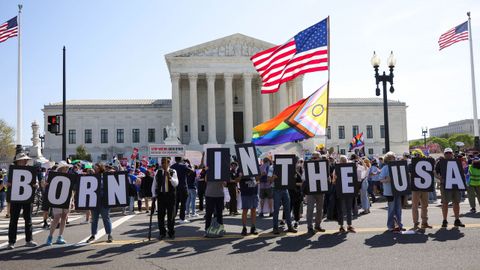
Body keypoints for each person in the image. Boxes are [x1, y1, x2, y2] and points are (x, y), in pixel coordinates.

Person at [7, 152, 38, 249]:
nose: (24, 161)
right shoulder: (12, 170)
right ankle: (11, 241)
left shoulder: (30, 170)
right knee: (13, 220)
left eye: (25, 160)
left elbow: (35, 182)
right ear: (18, 161)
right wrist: (8, 184)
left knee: (28, 219)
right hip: (16, 197)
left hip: (27, 197)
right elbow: (6, 182)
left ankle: (29, 240)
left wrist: (35, 185)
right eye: (22, 160)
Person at [435, 148, 465, 228]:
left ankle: (457, 220)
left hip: (456, 184)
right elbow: (435, 172)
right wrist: (439, 177)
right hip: (445, 185)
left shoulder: (457, 162)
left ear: (452, 154)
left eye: (449, 153)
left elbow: (462, 171)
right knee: (445, 203)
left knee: (456, 202)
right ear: (444, 154)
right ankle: (444, 220)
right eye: (446, 153)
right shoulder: (440, 162)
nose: (448, 154)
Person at [376, 152, 403, 232]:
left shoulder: (397, 167)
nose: (394, 159)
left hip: (398, 190)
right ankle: (390, 226)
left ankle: (399, 225)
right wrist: (387, 180)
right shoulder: (385, 168)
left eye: (394, 157)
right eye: (392, 157)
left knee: (398, 209)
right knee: (391, 209)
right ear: (388, 159)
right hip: (389, 192)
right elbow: (380, 179)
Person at [268, 160, 297, 234]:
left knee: (287, 208)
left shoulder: (285, 166)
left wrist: (293, 176)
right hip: (276, 189)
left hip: (285, 189)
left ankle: (290, 226)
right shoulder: (272, 167)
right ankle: (275, 227)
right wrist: (273, 177)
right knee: (276, 209)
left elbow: (290, 177)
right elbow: (268, 180)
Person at [45, 166, 73, 245]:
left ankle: (60, 236)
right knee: (57, 217)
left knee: (64, 217)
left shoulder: (69, 176)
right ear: (61, 169)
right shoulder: (54, 176)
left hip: (67, 198)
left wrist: (72, 199)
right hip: (57, 198)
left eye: (67, 168)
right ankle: (50, 236)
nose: (67, 169)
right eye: (65, 168)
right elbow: (47, 186)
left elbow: (71, 189)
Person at [152, 157, 178, 239]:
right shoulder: (158, 172)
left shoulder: (173, 171)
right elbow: (154, 184)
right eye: (163, 162)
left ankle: (171, 232)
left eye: (166, 162)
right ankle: (162, 232)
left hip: (170, 196)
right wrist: (153, 195)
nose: (164, 164)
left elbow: (176, 183)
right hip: (161, 196)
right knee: (161, 215)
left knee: (171, 215)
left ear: (169, 163)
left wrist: (170, 177)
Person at [87, 163, 114, 243]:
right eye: (94, 167)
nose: (95, 168)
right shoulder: (92, 177)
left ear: (100, 168)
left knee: (106, 218)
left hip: (104, 200)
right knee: (94, 219)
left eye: (97, 167)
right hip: (94, 201)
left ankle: (109, 234)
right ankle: (93, 235)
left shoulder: (105, 176)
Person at [332, 155, 356, 233]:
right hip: (343, 191)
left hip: (347, 190)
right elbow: (333, 181)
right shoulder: (336, 169)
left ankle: (346, 225)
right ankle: (344, 226)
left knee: (345, 209)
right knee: (345, 209)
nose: (344, 162)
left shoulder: (348, 168)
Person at [304, 152, 326, 234]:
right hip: (311, 190)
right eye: (312, 158)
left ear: (319, 158)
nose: (313, 159)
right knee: (310, 209)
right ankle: (309, 226)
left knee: (320, 209)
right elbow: (304, 178)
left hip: (320, 190)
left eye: (315, 158)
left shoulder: (323, 166)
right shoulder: (307, 166)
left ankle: (318, 225)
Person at [204, 169, 226, 235]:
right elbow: (206, 180)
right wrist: (208, 171)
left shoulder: (222, 172)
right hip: (209, 195)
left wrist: (221, 177)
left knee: (219, 213)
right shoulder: (209, 171)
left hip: (219, 195)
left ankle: (220, 229)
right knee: (209, 213)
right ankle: (207, 230)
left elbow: (225, 184)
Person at [170, 157, 191, 223]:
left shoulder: (172, 166)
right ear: (181, 160)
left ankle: (172, 218)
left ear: (175, 160)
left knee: (175, 204)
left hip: (175, 187)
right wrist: (188, 163)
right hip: (183, 187)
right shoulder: (184, 166)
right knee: (183, 203)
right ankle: (182, 218)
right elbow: (191, 171)